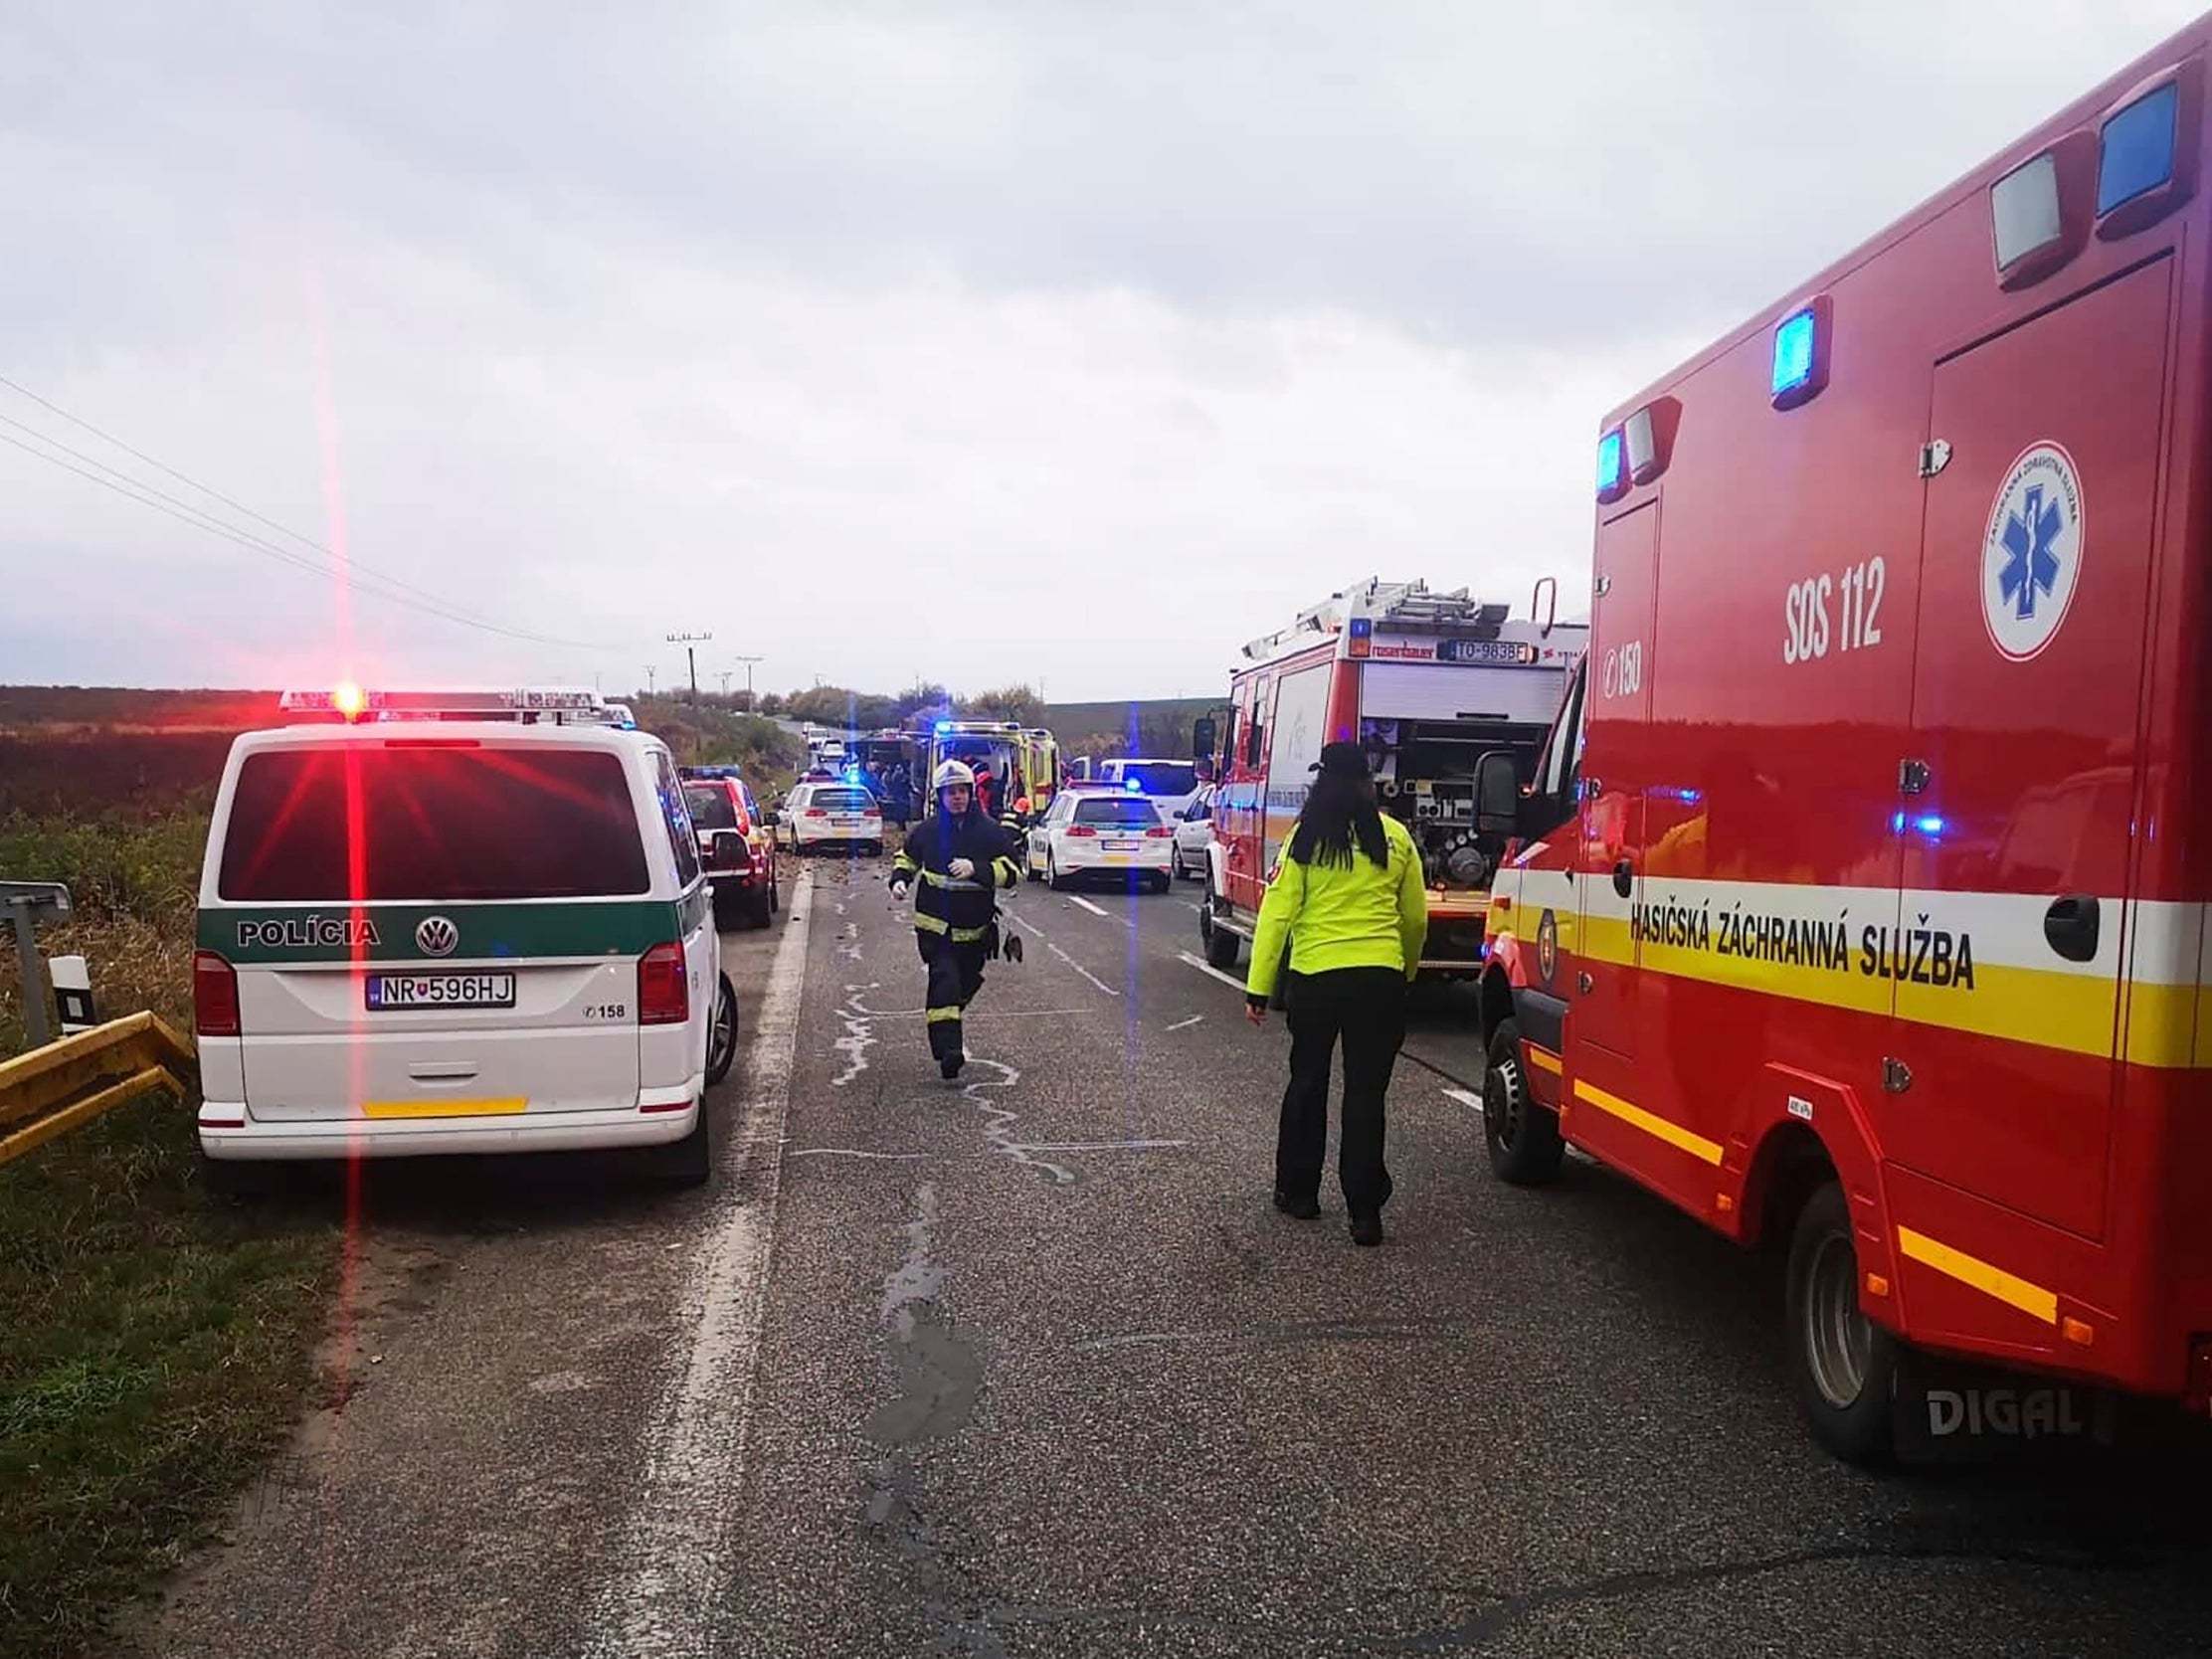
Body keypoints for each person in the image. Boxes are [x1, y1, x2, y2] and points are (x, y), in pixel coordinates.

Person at [1244, 741, 1428, 1246]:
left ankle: (1299, 1192)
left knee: (1308, 1083)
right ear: (1369, 784)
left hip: (1317, 979)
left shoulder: (1304, 839)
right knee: (1367, 1095)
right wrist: (1404, 971)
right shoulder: (1395, 839)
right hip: (1379, 980)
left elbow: (1277, 914)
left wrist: (1259, 987)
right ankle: (1365, 1210)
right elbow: (1414, 917)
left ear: (1321, 782)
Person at [888, 761, 1022, 1079]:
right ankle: (949, 1052)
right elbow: (907, 856)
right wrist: (899, 879)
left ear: (971, 793)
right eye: (951, 792)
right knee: (944, 979)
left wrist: (979, 869)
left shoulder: (989, 832)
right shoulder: (928, 830)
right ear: (940, 796)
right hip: (935, 928)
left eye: (962, 791)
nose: (957, 797)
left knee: (963, 984)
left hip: (974, 932)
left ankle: (946, 1019)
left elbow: (1013, 872)